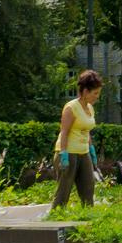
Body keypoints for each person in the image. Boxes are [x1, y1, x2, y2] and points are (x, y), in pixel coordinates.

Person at [52, 70, 103, 209]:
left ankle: (87, 219)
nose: (97, 97)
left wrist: (91, 150)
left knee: (88, 189)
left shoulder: (90, 108)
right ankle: (56, 217)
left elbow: (86, 131)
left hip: (83, 152)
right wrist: (63, 154)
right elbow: (64, 132)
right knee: (64, 191)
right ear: (86, 91)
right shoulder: (71, 107)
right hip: (69, 153)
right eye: (95, 93)